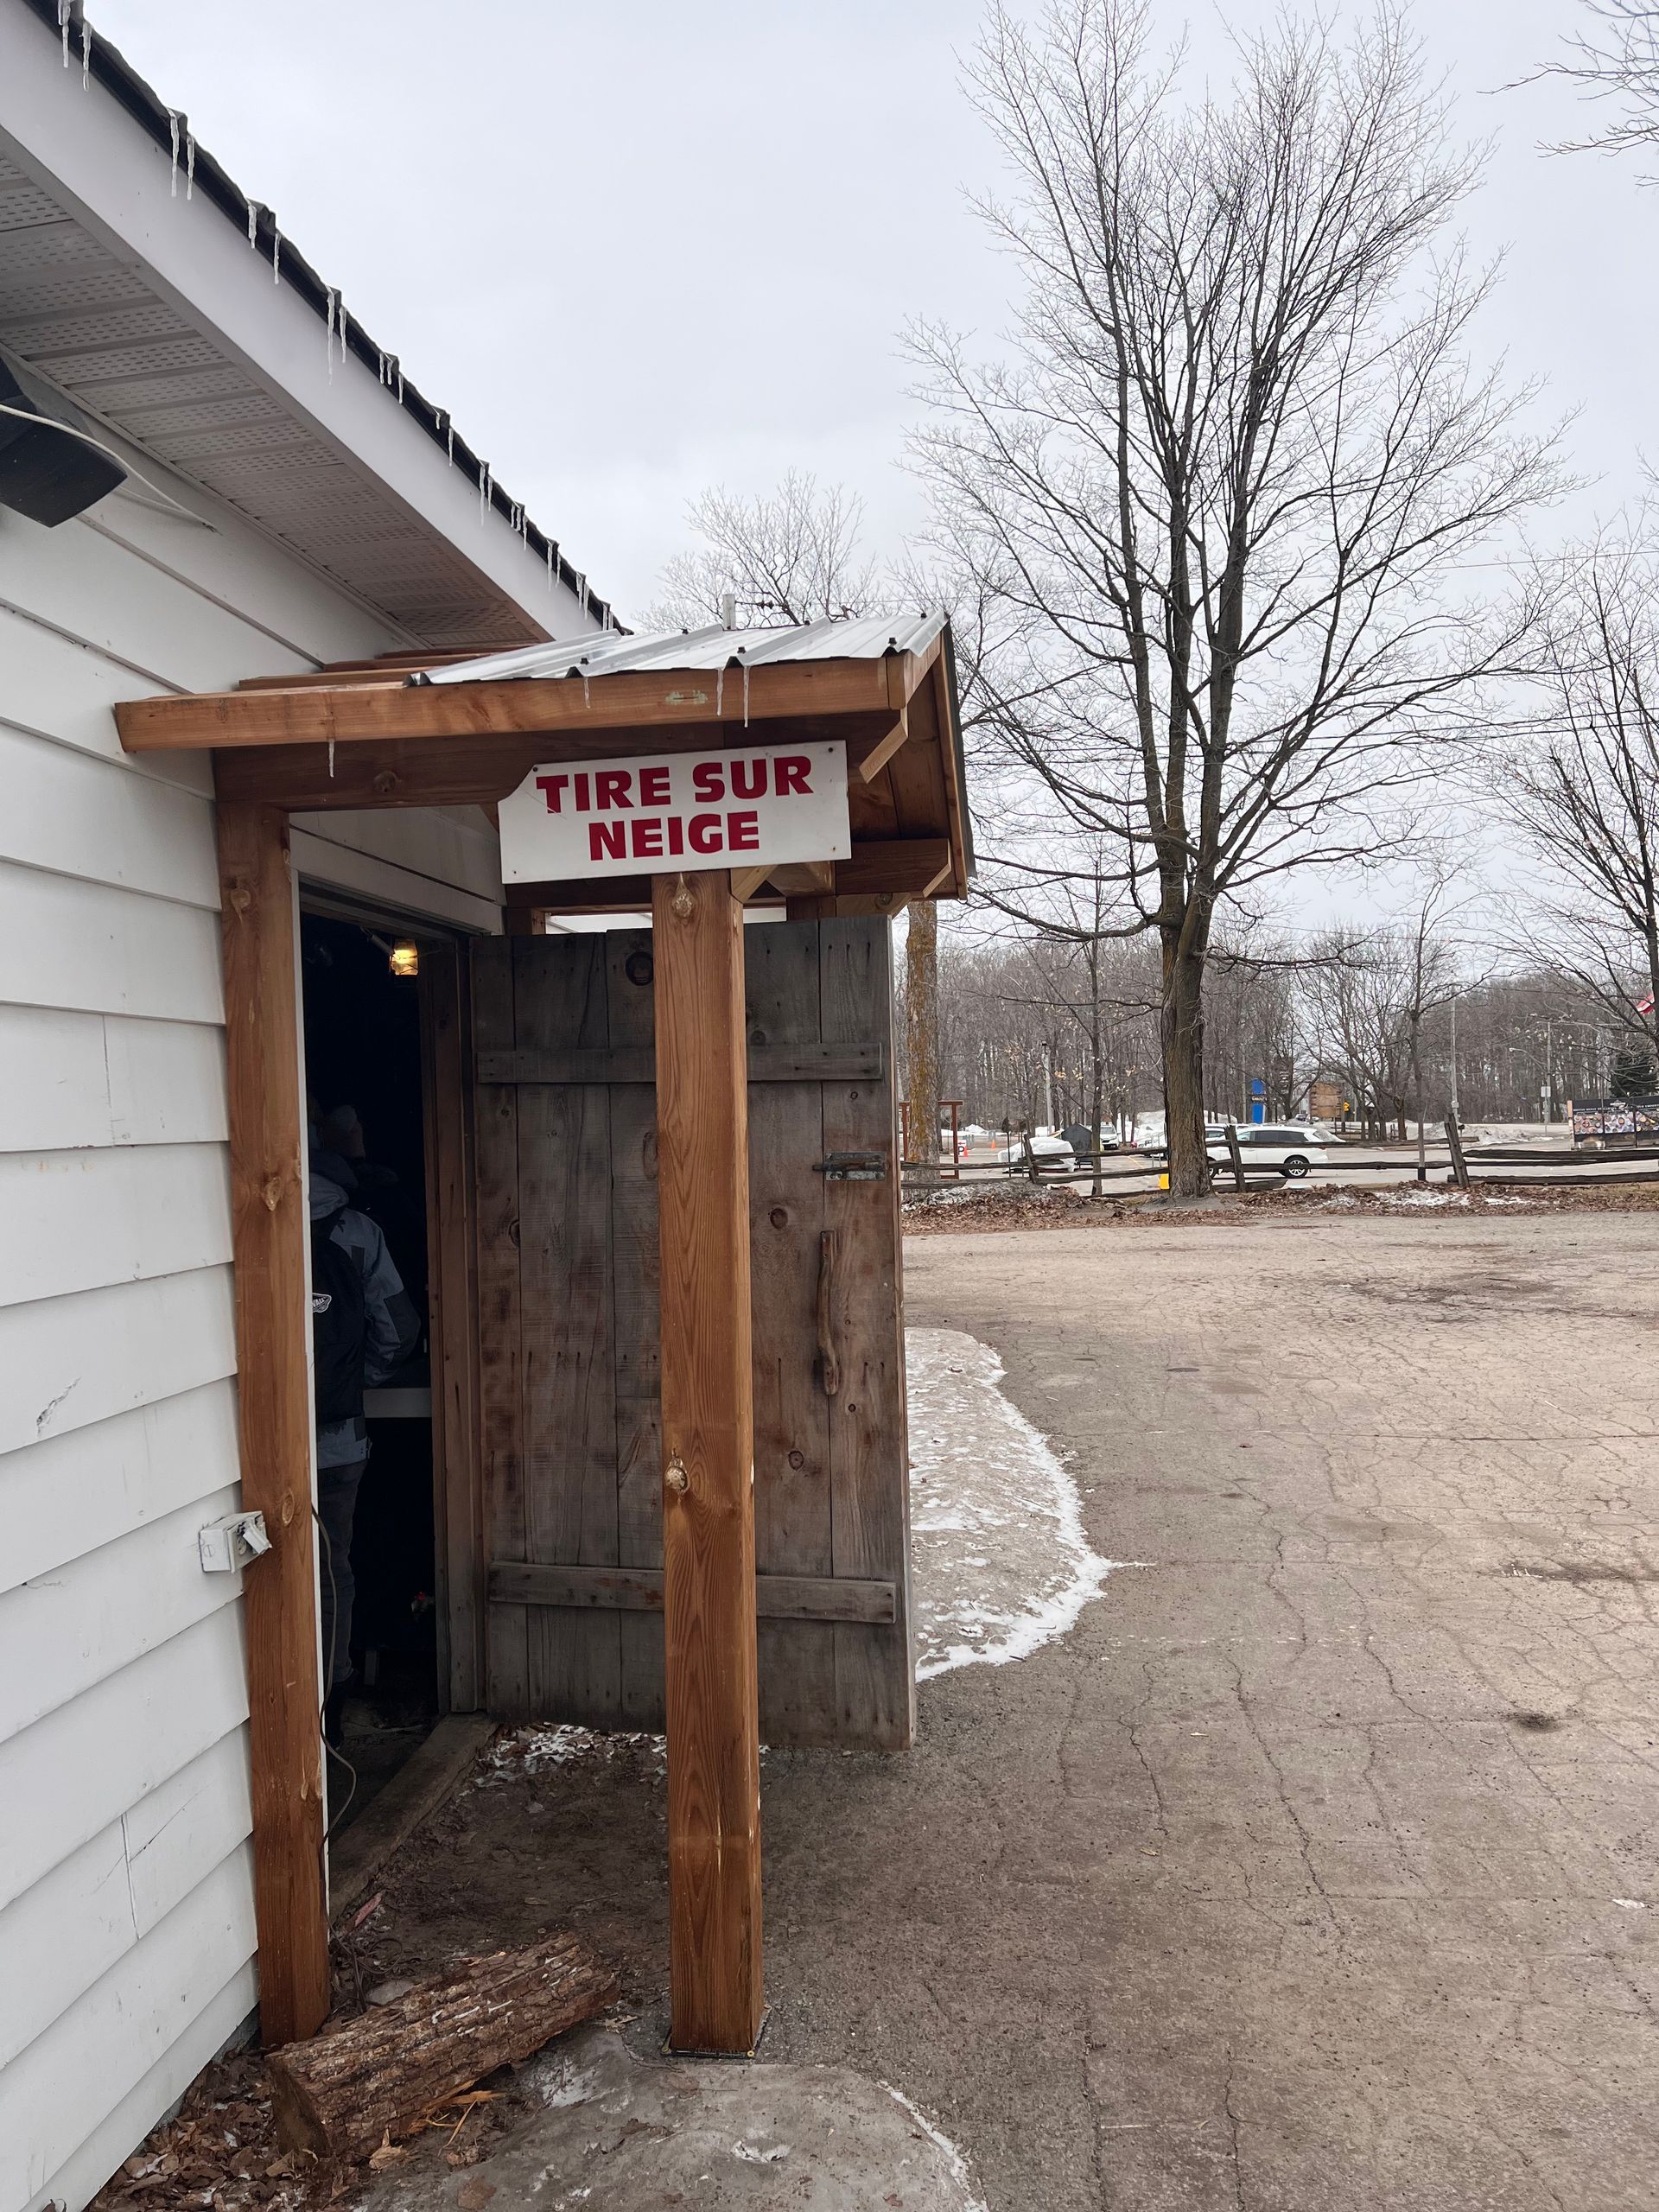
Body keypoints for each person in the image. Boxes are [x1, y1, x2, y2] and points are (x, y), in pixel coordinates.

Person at [308, 1134, 421, 1724]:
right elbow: (400, 1330)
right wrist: (357, 1381)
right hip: (338, 1440)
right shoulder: (357, 1232)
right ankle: (334, 1692)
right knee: (334, 1568)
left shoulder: (241, 1211)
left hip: (254, 1445)